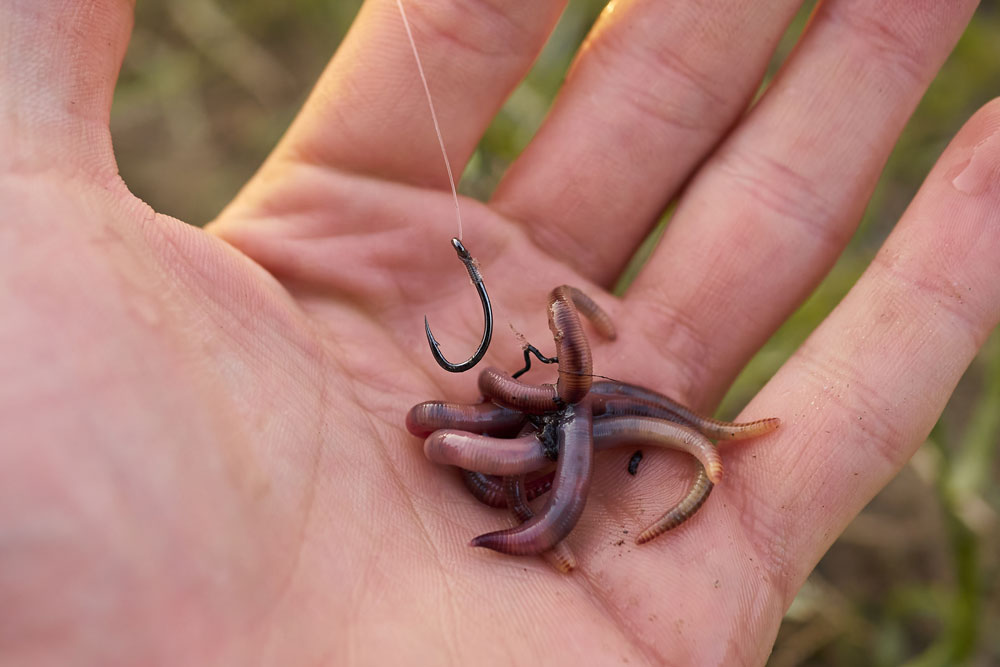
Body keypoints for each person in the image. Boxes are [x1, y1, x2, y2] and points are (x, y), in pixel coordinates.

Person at [2, 0, 996, 664]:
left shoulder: (552, 417)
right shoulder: (532, 434)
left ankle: (706, 450)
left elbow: (546, 417)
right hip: (554, 448)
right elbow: (516, 432)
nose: (442, 430)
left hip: (564, 434)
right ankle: (696, 453)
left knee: (582, 421)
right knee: (577, 429)